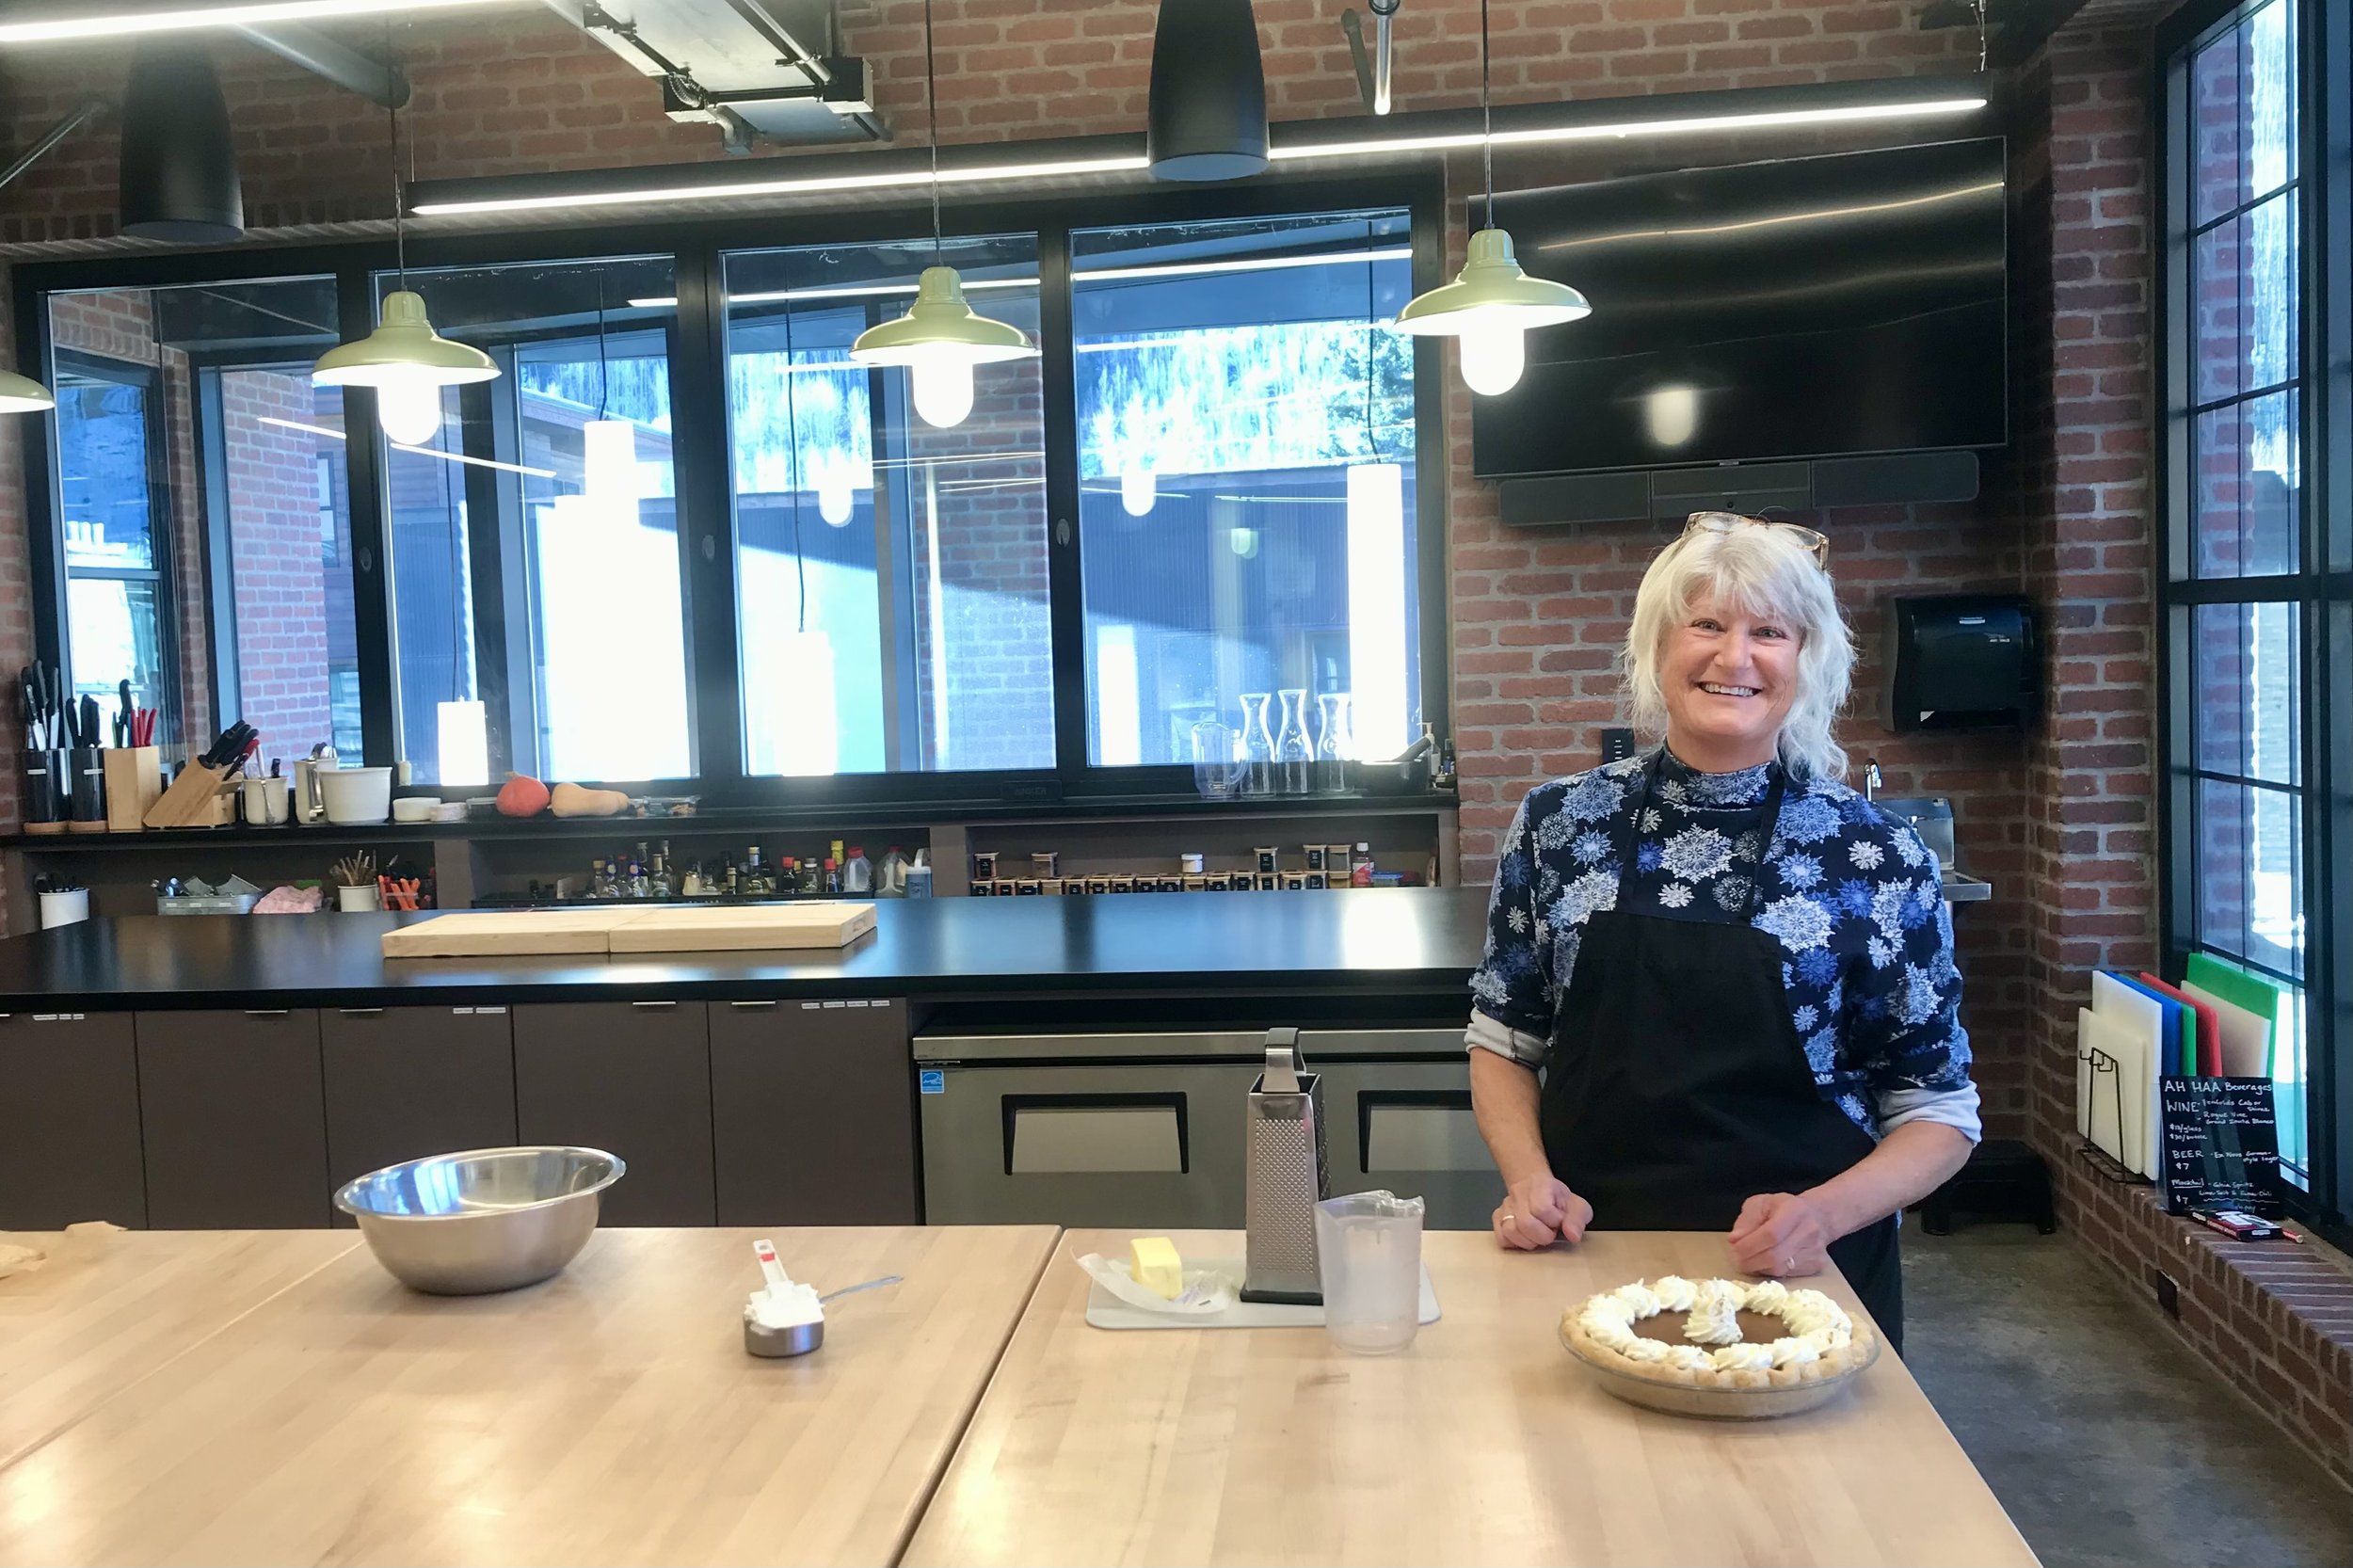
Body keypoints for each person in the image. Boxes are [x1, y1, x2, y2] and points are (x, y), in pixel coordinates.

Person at [1465, 512, 1980, 1351]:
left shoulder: (1876, 853)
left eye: (1769, 632)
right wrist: (1529, 1182)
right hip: (1587, 1256)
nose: (1734, 658)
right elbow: (1504, 1040)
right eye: (1705, 623)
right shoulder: (1559, 823)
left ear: (1807, 662)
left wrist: (1819, 1216)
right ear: (1655, 646)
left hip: (1807, 1279)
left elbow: (1939, 1112)